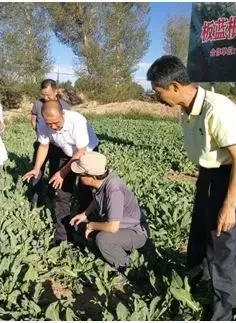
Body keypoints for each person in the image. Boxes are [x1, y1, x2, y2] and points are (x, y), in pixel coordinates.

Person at [147, 55, 236, 321]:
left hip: (231, 176)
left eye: (159, 92)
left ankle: (223, 311)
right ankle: (196, 285)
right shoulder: (186, 110)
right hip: (209, 174)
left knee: (224, 243)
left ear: (174, 87)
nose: (158, 98)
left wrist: (229, 207)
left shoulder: (218, 109)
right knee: (199, 232)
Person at [23, 100, 99, 246]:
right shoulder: (43, 123)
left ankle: (84, 230)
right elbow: (44, 146)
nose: (53, 127)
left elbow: (81, 152)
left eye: (56, 123)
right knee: (62, 194)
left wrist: (62, 173)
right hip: (66, 152)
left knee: (85, 191)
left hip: (86, 153)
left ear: (62, 113)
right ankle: (62, 237)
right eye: (49, 124)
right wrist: (37, 168)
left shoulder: (77, 121)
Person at [69, 151, 149, 272]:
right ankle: (111, 251)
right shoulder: (102, 181)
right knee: (79, 225)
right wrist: (84, 214)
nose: (78, 177)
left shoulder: (113, 190)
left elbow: (112, 227)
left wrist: (91, 226)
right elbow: (97, 199)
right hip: (119, 225)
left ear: (91, 177)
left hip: (135, 232)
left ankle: (126, 268)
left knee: (103, 239)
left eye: (80, 174)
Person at [29, 79, 70, 206]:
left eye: (48, 95)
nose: (45, 98)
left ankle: (51, 195)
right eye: (43, 95)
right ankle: (36, 198)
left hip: (57, 146)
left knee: (54, 169)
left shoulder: (63, 105)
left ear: (55, 91)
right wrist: (40, 132)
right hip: (43, 143)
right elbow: (33, 118)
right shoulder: (38, 103)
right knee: (37, 169)